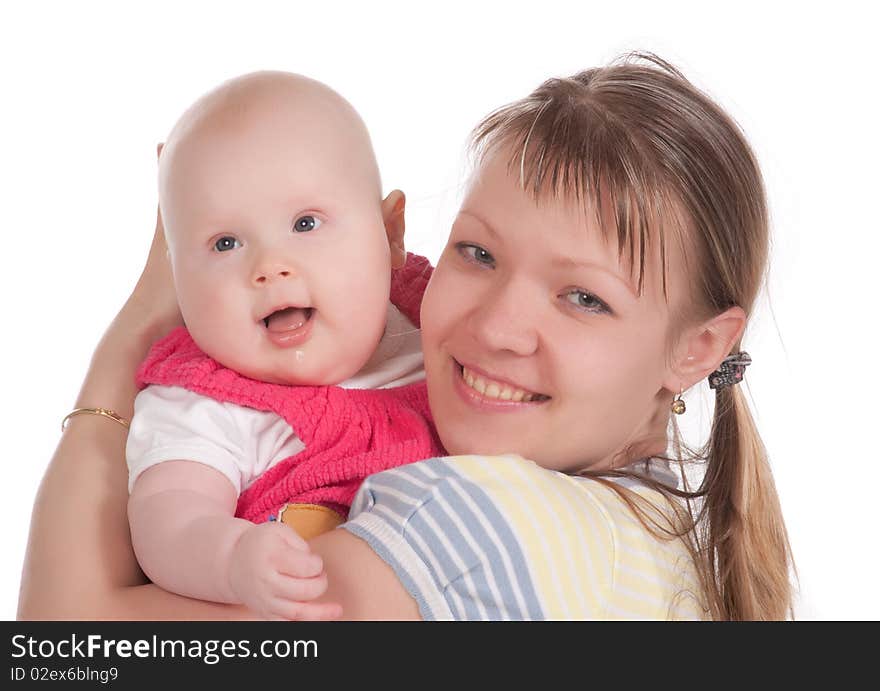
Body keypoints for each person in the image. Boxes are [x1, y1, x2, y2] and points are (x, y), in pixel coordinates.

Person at [18, 54, 794, 621]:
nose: (492, 327)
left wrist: (144, 319)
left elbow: (65, 644)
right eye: (478, 253)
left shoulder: (471, 525)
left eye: (584, 297)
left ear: (698, 348)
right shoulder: (660, 542)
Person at [124, 71, 444, 620]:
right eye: (225, 243)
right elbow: (168, 517)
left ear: (391, 234)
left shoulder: (434, 325)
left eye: (305, 222)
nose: (269, 267)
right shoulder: (207, 404)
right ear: (177, 276)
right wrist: (232, 559)